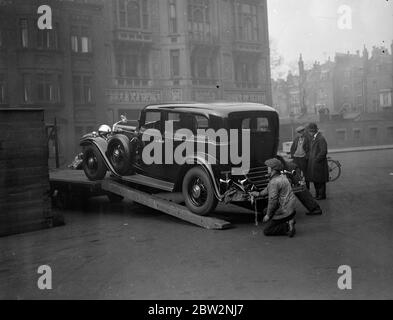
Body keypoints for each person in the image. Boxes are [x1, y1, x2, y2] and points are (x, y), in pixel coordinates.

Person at [251, 158, 297, 237]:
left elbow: (273, 201)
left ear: (274, 170)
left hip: (285, 211)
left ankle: (287, 225)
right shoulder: (282, 177)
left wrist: (268, 215)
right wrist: (258, 194)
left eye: (268, 168)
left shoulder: (274, 182)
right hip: (290, 208)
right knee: (265, 210)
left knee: (267, 231)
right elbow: (267, 190)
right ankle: (288, 220)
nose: (266, 169)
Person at [306, 123, 329, 200]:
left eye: (310, 131)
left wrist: (316, 160)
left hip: (319, 164)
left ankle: (322, 195)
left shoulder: (321, 138)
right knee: (316, 180)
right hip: (315, 164)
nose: (309, 133)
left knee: (320, 181)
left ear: (313, 131)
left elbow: (323, 151)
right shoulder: (314, 138)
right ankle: (318, 194)